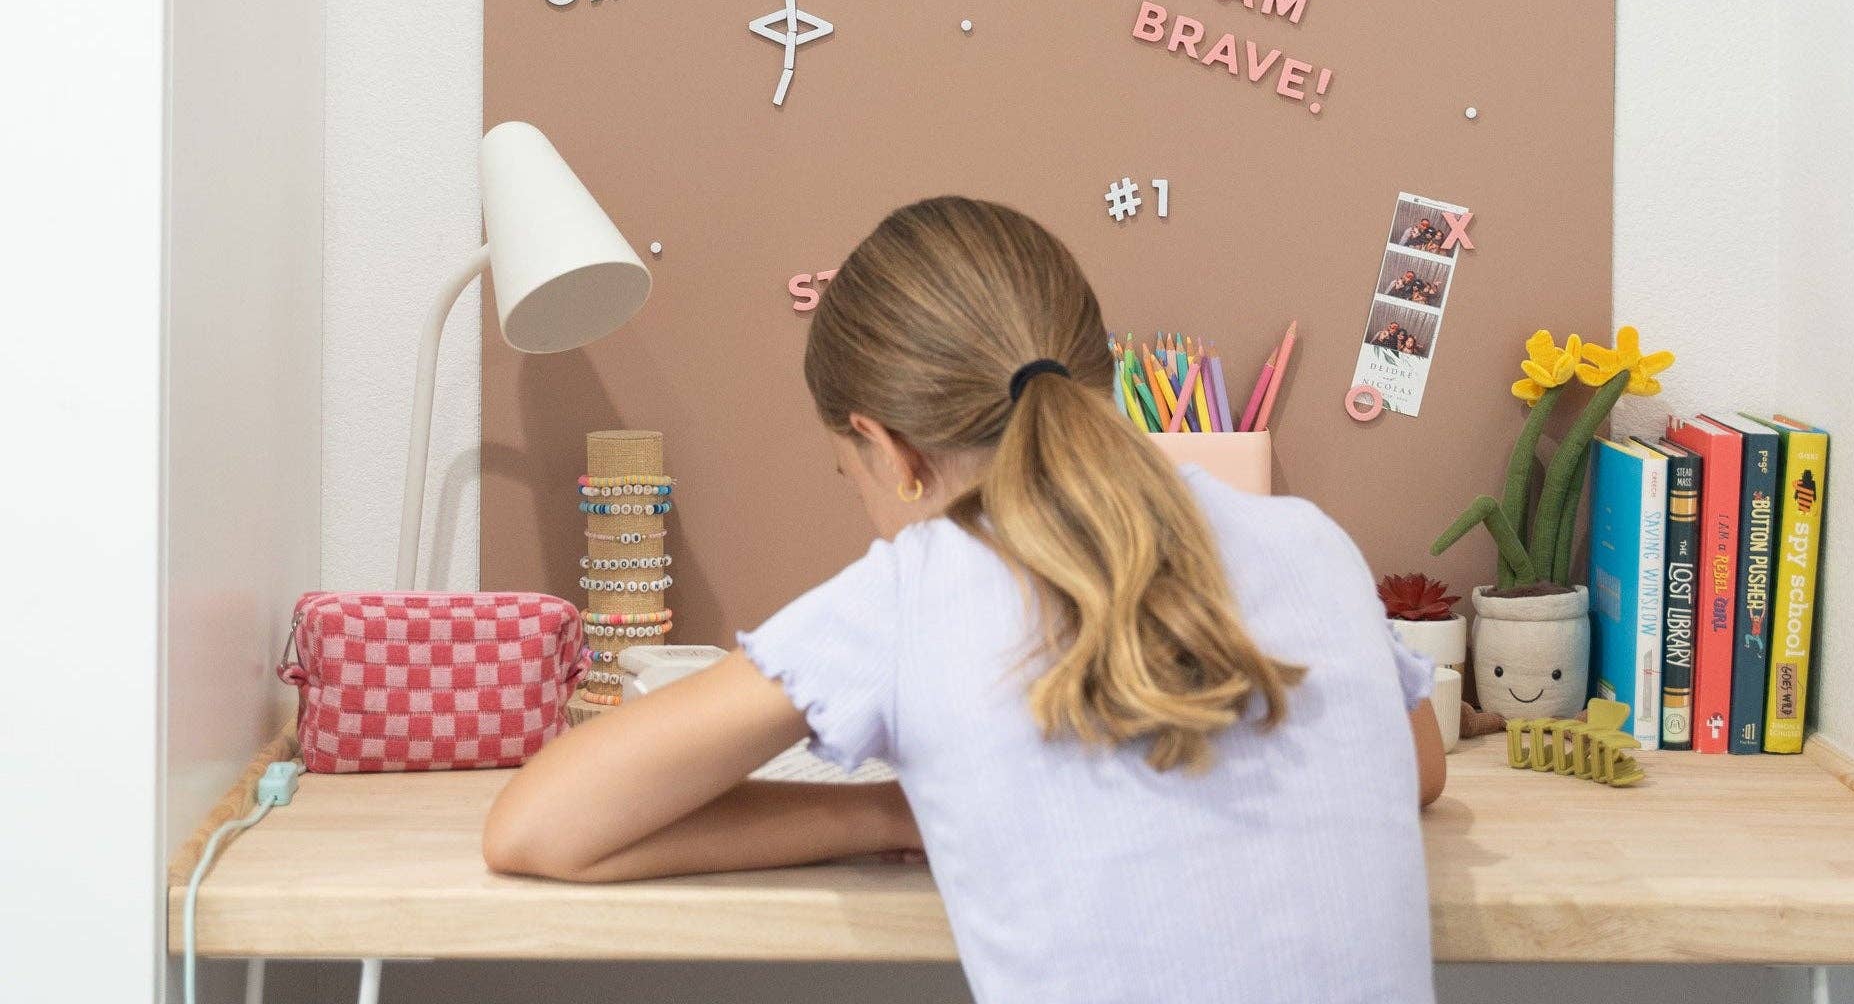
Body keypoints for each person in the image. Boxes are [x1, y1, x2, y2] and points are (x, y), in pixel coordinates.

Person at [485, 198, 1444, 1003]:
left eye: (846, 472)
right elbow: (1418, 763)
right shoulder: (1307, 540)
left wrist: (884, 815)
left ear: (890, 449)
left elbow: (540, 827)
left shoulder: (915, 592)